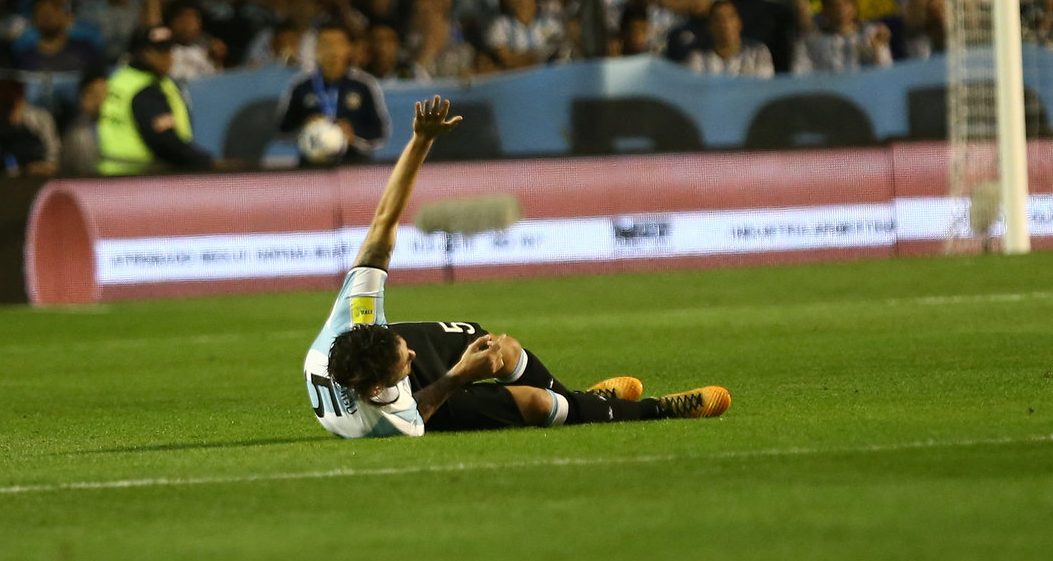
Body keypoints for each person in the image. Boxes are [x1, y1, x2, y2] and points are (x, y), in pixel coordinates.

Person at [304, 96, 731, 438]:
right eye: (406, 361)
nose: (412, 354)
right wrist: (459, 376)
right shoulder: (384, 422)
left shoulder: (352, 320)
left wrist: (420, 141)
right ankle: (652, 410)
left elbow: (383, 222)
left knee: (491, 345)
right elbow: (422, 407)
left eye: (402, 347)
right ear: (380, 388)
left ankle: (584, 400)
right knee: (538, 405)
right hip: (418, 405)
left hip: (372, 367)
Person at [96, 25, 215, 175]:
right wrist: (206, 162)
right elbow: (164, 142)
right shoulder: (145, 89)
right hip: (142, 173)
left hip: (113, 171)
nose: (168, 57)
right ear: (143, 53)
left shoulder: (119, 79)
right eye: (160, 51)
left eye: (169, 50)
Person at [277, 23, 390, 164]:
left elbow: (379, 133)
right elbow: (283, 130)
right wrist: (304, 127)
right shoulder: (301, 87)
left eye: (338, 44)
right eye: (326, 44)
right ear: (317, 49)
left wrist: (353, 133)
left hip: (354, 163)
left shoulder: (363, 86)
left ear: (349, 48)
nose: (332, 50)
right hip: (312, 163)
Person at [0, 74, 59, 176]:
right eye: (3, 107)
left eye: (11, 106)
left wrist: (43, 166)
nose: (8, 114)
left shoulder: (40, 120)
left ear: (21, 101)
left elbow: (54, 156)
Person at [60, 68, 107, 176]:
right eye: (95, 95)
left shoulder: (116, 126)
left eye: (105, 94)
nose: (101, 100)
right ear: (83, 98)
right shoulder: (77, 134)